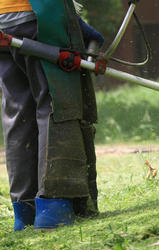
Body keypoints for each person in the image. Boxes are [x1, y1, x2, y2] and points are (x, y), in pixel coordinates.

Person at [0, 0, 104, 231]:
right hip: (38, 18)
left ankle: (24, 211)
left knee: (19, 112)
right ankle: (54, 204)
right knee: (56, 103)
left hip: (3, 24)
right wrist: (74, 23)